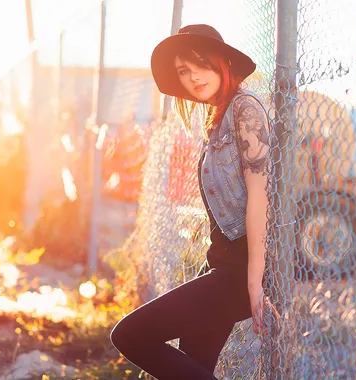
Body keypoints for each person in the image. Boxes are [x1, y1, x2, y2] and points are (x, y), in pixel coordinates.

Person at [110, 24, 271, 380]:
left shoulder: (244, 109)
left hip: (242, 271)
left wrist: (254, 280)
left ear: (222, 62)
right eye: (183, 71)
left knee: (129, 335)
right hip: (223, 265)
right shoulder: (217, 117)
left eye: (200, 63)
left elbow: (260, 197)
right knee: (193, 368)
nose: (192, 76)